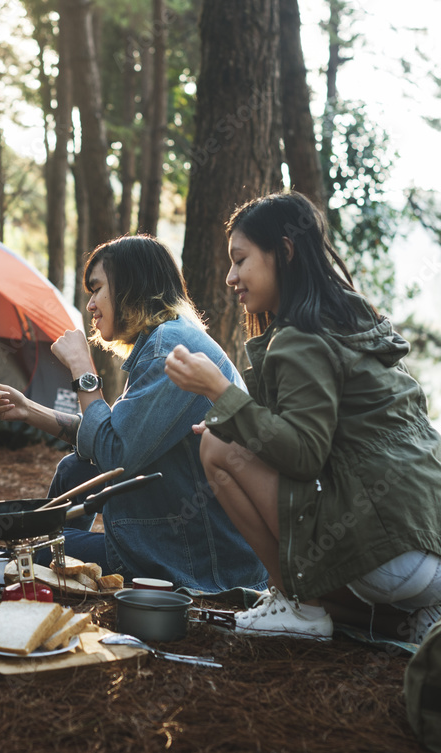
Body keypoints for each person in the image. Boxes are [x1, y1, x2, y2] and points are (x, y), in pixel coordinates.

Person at [165, 190, 441, 643]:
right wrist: (236, 416)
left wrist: (219, 390)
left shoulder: (300, 336)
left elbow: (303, 453)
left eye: (241, 260)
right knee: (227, 436)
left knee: (216, 448)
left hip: (391, 556)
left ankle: (300, 607)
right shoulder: (353, 318)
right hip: (427, 543)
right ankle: (411, 622)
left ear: (285, 251)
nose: (231, 277)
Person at [0, 235, 267, 593]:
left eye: (97, 289)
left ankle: (52, 560)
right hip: (191, 541)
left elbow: (113, 451)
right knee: (73, 469)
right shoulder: (165, 339)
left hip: (198, 560)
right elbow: (109, 435)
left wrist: (83, 368)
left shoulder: (168, 349)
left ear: (129, 287)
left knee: (30, 549)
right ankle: (57, 560)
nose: (89, 305)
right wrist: (28, 410)